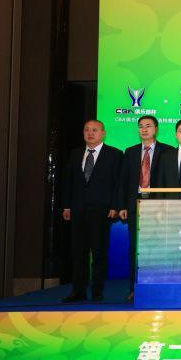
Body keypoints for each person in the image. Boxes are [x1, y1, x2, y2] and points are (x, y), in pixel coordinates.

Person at [60, 120, 122, 303]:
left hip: (102, 210)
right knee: (78, 253)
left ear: (103, 133)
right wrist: (67, 206)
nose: (90, 133)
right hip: (78, 209)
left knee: (99, 253)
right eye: (87, 130)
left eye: (95, 130)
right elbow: (69, 182)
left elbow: (118, 183)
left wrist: (115, 206)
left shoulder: (115, 154)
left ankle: (97, 290)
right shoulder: (75, 153)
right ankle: (78, 290)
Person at [116, 115, 174, 301]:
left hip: (158, 205)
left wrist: (166, 205)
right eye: (141, 126)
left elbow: (170, 181)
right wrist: (122, 205)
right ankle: (135, 287)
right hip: (136, 205)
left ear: (156, 129)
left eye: (148, 126)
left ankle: (159, 286)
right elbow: (123, 181)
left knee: (160, 246)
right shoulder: (130, 151)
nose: (144, 129)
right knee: (136, 248)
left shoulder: (168, 151)